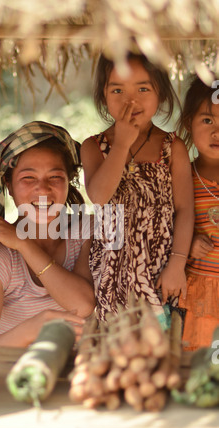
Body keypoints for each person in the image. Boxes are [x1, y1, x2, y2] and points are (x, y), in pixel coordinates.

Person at [80, 52, 195, 328]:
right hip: (111, 270)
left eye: (143, 89)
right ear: (103, 95)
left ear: (161, 94)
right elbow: (98, 196)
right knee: (116, 350)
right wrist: (120, 145)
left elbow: (184, 209)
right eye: (117, 90)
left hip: (160, 269)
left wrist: (177, 265)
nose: (130, 100)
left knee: (158, 345)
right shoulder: (93, 147)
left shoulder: (172, 148)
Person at [0, 121, 95, 347]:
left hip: (84, 375)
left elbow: (83, 304)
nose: (43, 189)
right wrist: (30, 331)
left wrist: (23, 243)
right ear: (9, 184)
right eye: (28, 178)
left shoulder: (86, 231)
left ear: (69, 181)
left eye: (55, 177)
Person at [178, 76, 219, 350]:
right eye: (208, 120)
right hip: (199, 293)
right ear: (188, 123)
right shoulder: (183, 178)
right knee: (200, 364)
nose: (217, 132)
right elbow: (166, 224)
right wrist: (186, 243)